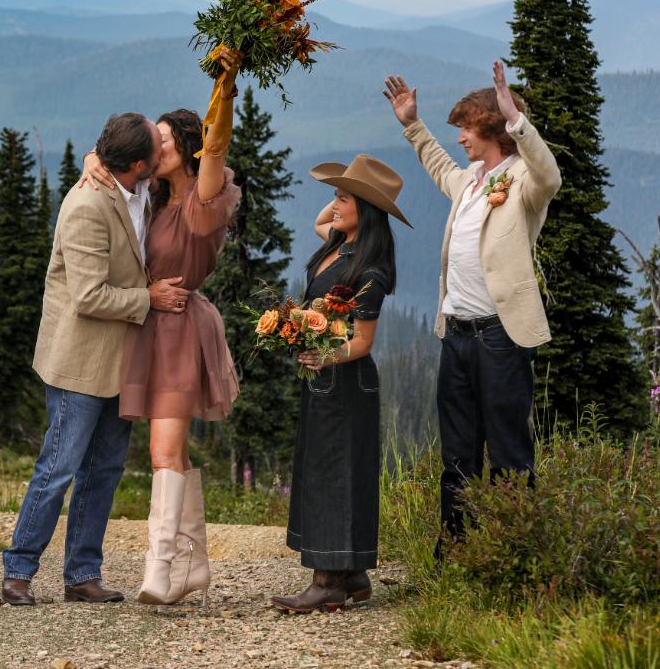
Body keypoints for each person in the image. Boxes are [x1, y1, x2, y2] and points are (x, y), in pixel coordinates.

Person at [1, 111, 191, 606]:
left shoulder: (138, 187)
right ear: (137, 163)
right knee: (59, 466)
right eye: (157, 145)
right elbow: (89, 297)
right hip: (78, 361)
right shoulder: (87, 204)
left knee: (104, 469)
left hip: (121, 361)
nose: (163, 149)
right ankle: (18, 571)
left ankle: (82, 574)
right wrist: (149, 299)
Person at [78, 48, 242, 605]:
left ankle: (161, 567)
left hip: (181, 328)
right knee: (172, 453)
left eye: (167, 141)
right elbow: (107, 163)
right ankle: (191, 565)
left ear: (188, 149)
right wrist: (91, 161)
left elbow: (216, 146)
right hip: (152, 325)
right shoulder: (152, 196)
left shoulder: (203, 198)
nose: (157, 148)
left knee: (163, 451)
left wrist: (226, 85)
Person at [383, 61, 561, 557]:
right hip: (457, 335)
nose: (459, 137)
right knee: (458, 452)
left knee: (508, 452)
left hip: (501, 337)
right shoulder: (473, 181)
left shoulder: (523, 181)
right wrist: (411, 124)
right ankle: (456, 552)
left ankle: (510, 556)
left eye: (465, 127)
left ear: (492, 130)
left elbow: (550, 175)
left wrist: (517, 121)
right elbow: (441, 166)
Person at [270, 154, 408, 614]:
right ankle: (353, 576)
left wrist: (322, 353)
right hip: (325, 378)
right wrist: (346, 198)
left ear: (364, 210)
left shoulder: (370, 269)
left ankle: (327, 581)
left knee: (334, 472)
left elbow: (363, 342)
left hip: (346, 381)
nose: (332, 204)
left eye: (342, 198)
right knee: (328, 466)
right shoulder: (338, 243)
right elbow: (319, 222)